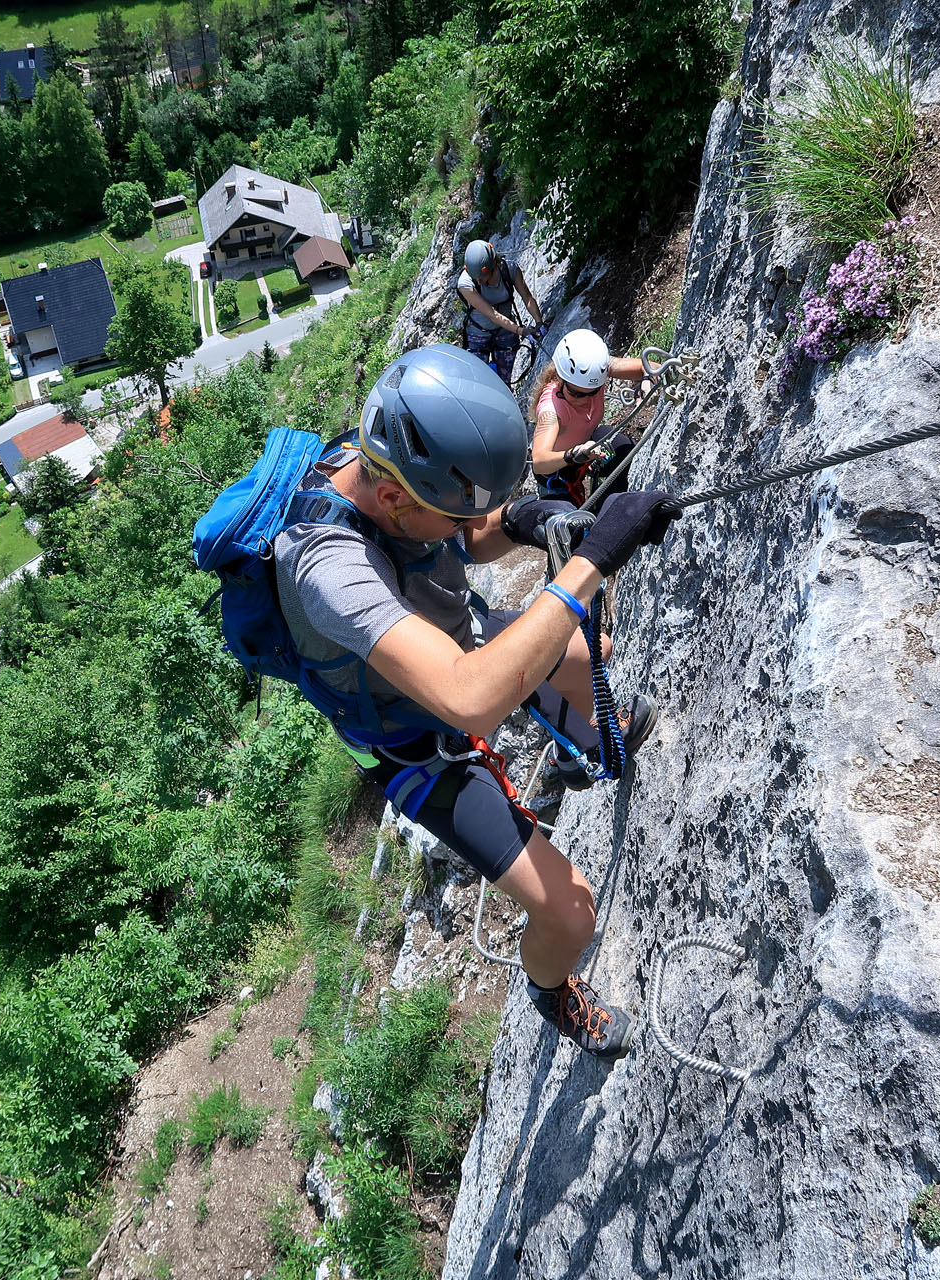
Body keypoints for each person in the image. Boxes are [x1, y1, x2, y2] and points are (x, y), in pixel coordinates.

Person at [274, 343, 679, 1060]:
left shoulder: (390, 467)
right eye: (455, 514)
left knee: (588, 659)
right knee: (570, 911)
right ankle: (552, 991)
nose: (467, 526)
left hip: (451, 636)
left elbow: (468, 537)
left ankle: (591, 740)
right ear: (396, 499)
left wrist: (521, 520)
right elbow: (468, 700)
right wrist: (590, 565)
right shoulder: (326, 567)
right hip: (415, 745)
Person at [532, 328, 647, 506]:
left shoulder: (596, 370)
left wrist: (647, 381)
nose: (585, 400)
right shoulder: (551, 410)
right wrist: (573, 454)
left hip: (587, 445)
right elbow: (539, 461)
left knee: (625, 453)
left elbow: (647, 367)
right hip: (557, 471)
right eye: (576, 394)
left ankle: (606, 512)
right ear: (560, 379)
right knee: (571, 528)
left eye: (593, 393)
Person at [457, 239, 543, 385]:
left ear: (492, 266)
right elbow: (492, 314)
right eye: (475, 278)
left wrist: (539, 322)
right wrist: (522, 331)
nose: (478, 282)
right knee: (478, 383)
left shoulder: (510, 270)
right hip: (478, 334)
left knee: (504, 382)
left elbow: (527, 298)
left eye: (482, 277)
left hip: (506, 332)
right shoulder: (465, 284)